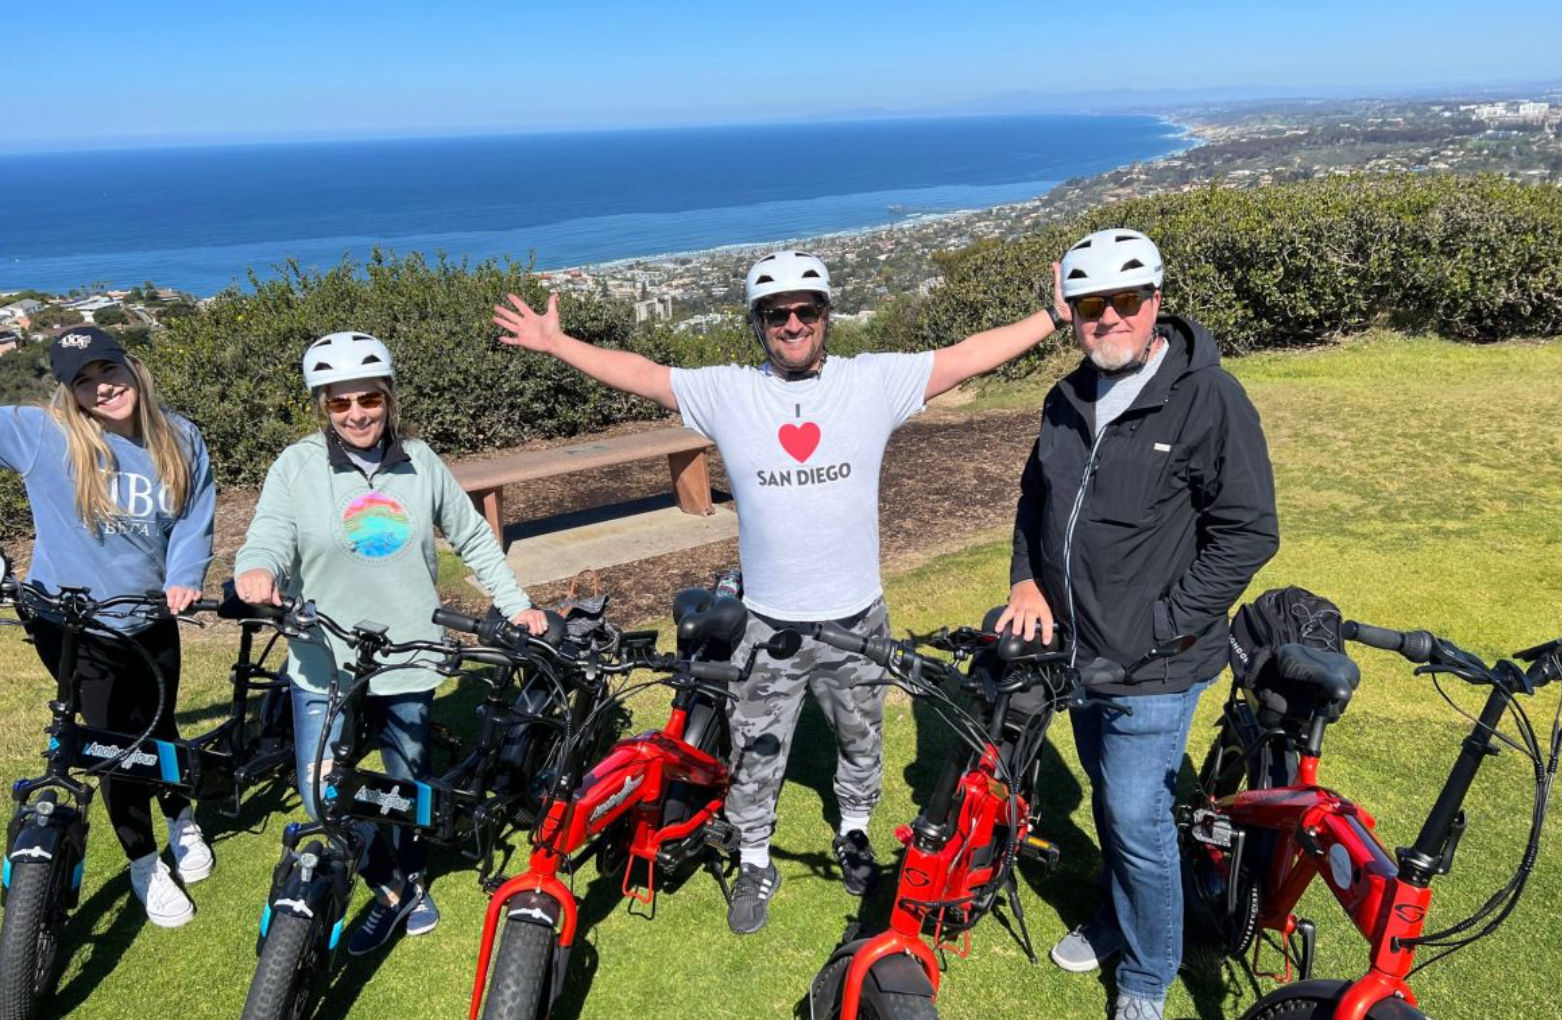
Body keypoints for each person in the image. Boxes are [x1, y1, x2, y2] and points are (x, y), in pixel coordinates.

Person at [493, 251, 1068, 934]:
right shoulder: (729, 392)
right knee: (757, 750)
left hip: (856, 614)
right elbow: (644, 374)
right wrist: (558, 344)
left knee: (862, 736)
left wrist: (1053, 317)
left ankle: (853, 831)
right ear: (759, 323)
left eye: (806, 311)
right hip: (768, 622)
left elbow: (967, 356)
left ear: (826, 316)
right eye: (777, 314)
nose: (793, 324)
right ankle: (757, 858)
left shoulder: (871, 382)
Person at [997, 228, 1279, 1020]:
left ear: (1156, 301)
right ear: (1076, 313)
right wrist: (1025, 580)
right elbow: (1034, 504)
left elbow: (1248, 531)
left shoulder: (1208, 398)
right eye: (1092, 305)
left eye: (1127, 300)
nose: (1110, 318)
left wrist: (1168, 622)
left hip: (1157, 664)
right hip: (1077, 659)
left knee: (1132, 813)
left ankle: (1150, 972)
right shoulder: (1064, 400)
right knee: (1111, 798)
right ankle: (1121, 918)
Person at [233, 331, 547, 956]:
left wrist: (517, 606)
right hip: (324, 660)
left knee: (407, 784)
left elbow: (474, 538)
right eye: (338, 403)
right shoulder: (297, 465)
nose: (355, 414)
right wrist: (256, 567)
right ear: (321, 407)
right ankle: (354, 866)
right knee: (321, 787)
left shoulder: (421, 462)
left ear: (389, 398)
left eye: (367, 399)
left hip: (410, 657)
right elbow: (268, 532)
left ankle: (399, 886)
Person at [0, 326, 217, 928]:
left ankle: (180, 817)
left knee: (161, 725)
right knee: (110, 744)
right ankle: (144, 861)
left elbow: (195, 519)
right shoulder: (44, 434)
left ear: (132, 367)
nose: (102, 387)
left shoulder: (179, 438)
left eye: (107, 370)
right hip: (70, 626)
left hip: (149, 619)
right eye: (84, 380)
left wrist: (185, 574)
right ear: (69, 392)